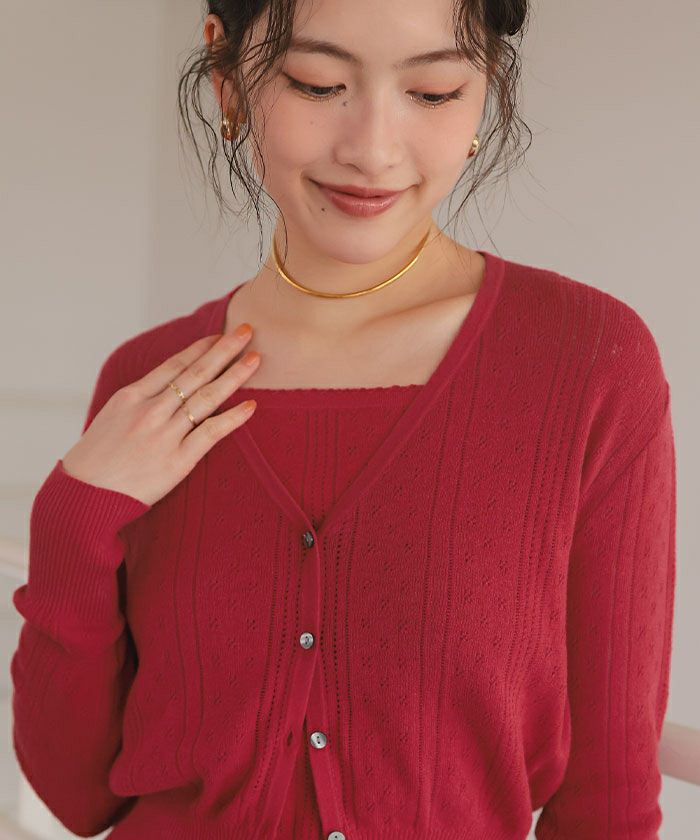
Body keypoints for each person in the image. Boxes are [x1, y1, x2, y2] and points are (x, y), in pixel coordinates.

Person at [10, 0, 676, 838]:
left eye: (433, 93)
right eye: (316, 83)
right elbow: (77, 796)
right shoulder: (149, 383)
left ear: (487, 89)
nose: (372, 149)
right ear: (226, 76)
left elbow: (608, 801)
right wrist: (75, 515)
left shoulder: (585, 363)